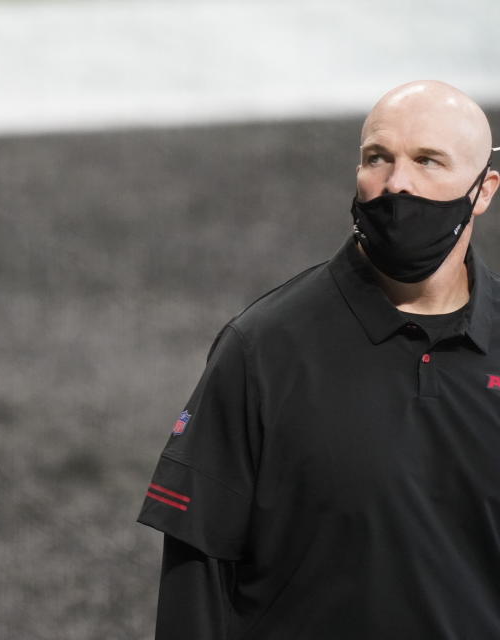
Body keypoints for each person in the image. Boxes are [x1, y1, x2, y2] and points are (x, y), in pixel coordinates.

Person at [137, 80, 500, 638]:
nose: (396, 184)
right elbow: (196, 583)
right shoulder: (263, 348)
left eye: (428, 161)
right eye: (378, 158)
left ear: (483, 189)